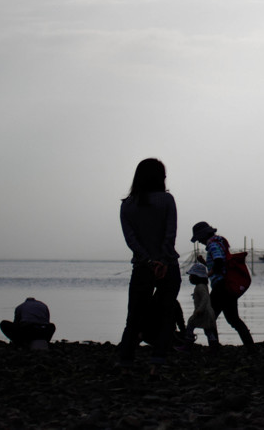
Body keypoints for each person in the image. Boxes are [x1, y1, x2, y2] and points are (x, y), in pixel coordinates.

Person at [118, 158, 181, 373]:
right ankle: (157, 363)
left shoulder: (127, 205)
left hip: (142, 268)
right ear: (159, 177)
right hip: (168, 266)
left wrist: (147, 260)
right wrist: (162, 260)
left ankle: (125, 362)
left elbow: (131, 240)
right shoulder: (167, 200)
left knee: (133, 317)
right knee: (166, 316)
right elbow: (170, 233)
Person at [191, 221, 254, 348]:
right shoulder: (219, 243)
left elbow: (219, 264)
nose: (200, 242)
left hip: (221, 287)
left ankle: (214, 347)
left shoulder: (213, 245)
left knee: (209, 317)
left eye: (199, 239)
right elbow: (220, 263)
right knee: (233, 319)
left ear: (204, 235)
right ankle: (250, 346)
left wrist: (205, 276)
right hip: (227, 286)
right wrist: (205, 263)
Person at [185, 263, 220, 349]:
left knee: (190, 325)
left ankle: (187, 345)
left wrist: (199, 310)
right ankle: (214, 346)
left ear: (196, 277)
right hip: (207, 313)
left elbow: (205, 299)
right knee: (208, 331)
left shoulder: (199, 287)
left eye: (191, 276)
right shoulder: (203, 286)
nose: (189, 278)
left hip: (202, 313)